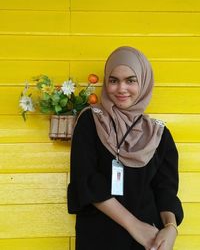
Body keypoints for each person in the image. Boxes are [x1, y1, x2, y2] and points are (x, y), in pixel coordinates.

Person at [67, 46, 184, 250]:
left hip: (148, 242)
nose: (121, 88)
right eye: (114, 80)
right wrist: (135, 227)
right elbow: (86, 181)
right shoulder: (90, 121)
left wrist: (171, 227)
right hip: (99, 239)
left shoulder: (159, 134)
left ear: (144, 81)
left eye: (131, 80)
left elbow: (165, 190)